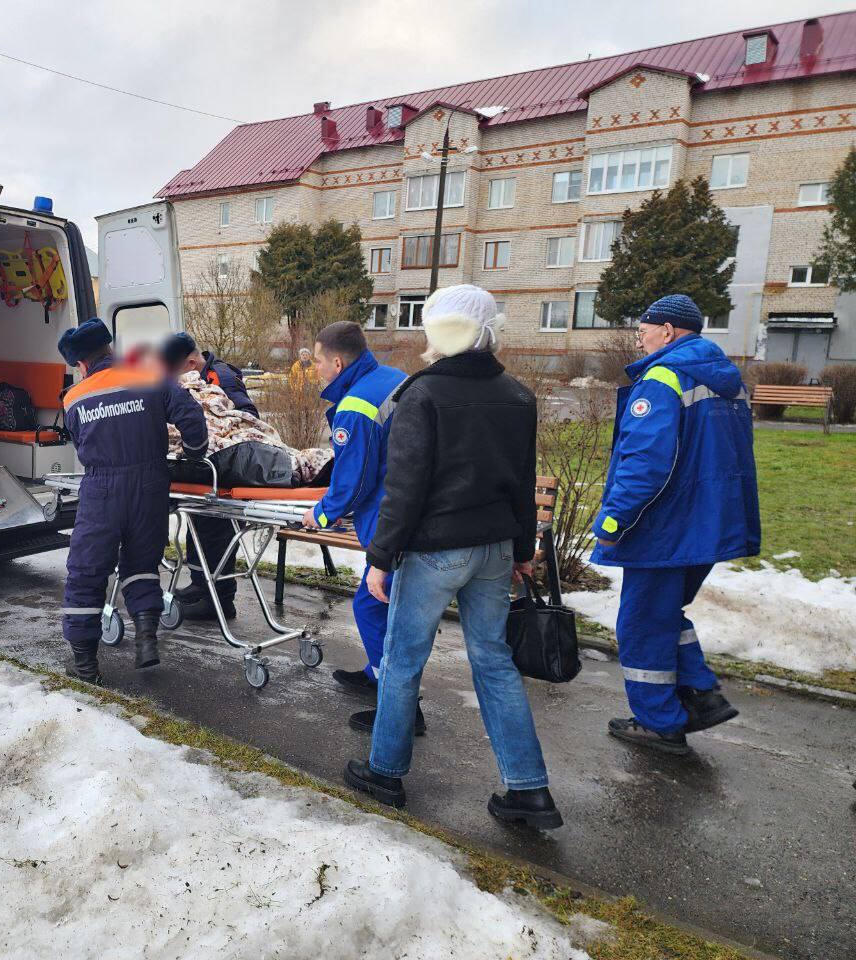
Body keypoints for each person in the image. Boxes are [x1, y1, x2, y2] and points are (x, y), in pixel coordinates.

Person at [343, 286, 561, 830]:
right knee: (494, 661)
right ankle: (529, 790)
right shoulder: (517, 395)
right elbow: (521, 481)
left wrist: (380, 558)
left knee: (402, 659)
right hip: (493, 550)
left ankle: (385, 772)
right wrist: (521, 551)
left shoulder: (422, 394)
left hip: (435, 550)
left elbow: (405, 487)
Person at [592, 294, 759, 756]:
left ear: (667, 331)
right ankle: (701, 695)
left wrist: (613, 520)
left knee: (643, 623)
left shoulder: (662, 378)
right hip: (710, 523)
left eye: (643, 330)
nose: (639, 339)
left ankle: (659, 723)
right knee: (665, 613)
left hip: (664, 526)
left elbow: (646, 462)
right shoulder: (727, 380)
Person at [58, 319, 208, 682]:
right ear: (110, 348)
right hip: (150, 486)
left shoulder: (74, 398)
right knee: (142, 563)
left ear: (81, 364)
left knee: (87, 573)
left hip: (101, 491)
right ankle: (146, 642)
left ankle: (85, 665)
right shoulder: (149, 376)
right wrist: (194, 455)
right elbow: (191, 417)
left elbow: (80, 444)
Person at [298, 321, 405, 706]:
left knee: (372, 605)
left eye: (317, 361)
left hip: (389, 514)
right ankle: (377, 675)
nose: (315, 369)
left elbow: (354, 481)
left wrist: (322, 514)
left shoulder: (355, 407)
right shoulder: (394, 378)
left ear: (338, 363)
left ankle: (395, 700)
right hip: (410, 505)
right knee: (380, 602)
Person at [161, 331, 257, 621]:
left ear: (191, 364)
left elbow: (246, 417)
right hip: (207, 468)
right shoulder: (203, 375)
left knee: (215, 532)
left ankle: (220, 601)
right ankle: (201, 586)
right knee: (199, 526)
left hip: (225, 468)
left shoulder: (221, 378)